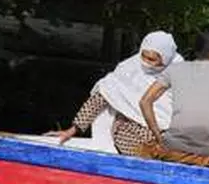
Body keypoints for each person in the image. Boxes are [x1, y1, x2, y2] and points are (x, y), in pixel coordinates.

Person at [48, 31, 181, 155]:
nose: (146, 63)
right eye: (144, 56)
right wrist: (71, 131)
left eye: (152, 60)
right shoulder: (128, 69)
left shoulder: (179, 73)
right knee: (124, 133)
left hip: (171, 135)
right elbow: (102, 96)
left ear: (166, 59)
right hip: (134, 133)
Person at [139, 30, 209, 167]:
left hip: (173, 149)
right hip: (208, 155)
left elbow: (145, 102)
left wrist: (158, 137)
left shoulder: (174, 69)